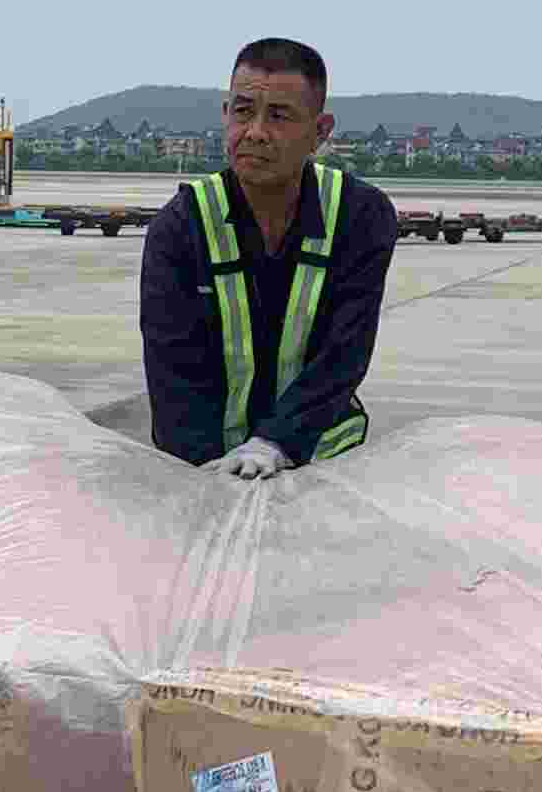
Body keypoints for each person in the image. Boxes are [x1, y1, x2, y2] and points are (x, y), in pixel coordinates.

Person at [140, 36, 396, 478]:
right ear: (226, 114)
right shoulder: (181, 225)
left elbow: (344, 354)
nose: (255, 132)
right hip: (207, 463)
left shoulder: (359, 215)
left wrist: (276, 444)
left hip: (321, 460)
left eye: (279, 116)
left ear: (320, 131)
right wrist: (206, 475)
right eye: (243, 111)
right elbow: (172, 374)